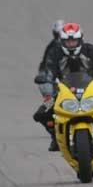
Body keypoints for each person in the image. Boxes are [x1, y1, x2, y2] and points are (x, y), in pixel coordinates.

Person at [39, 22, 93, 150]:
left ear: (80, 39)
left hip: (92, 90)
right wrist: (46, 88)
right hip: (64, 92)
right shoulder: (54, 54)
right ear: (62, 41)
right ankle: (55, 137)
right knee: (41, 114)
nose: (71, 44)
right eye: (68, 41)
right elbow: (48, 73)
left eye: (74, 41)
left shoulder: (92, 51)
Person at [33, 20, 66, 150]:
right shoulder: (52, 50)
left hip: (80, 89)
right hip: (58, 85)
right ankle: (55, 136)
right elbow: (46, 68)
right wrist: (49, 81)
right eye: (58, 35)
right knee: (41, 112)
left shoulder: (84, 50)